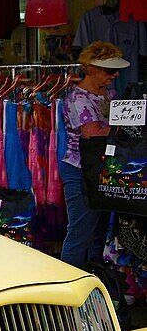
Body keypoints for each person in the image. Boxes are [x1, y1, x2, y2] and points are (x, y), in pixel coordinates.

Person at [60, 41, 128, 269]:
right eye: (110, 70)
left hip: (100, 169)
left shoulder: (108, 93)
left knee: (98, 232)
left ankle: (94, 277)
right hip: (80, 170)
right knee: (81, 231)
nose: (115, 75)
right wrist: (128, 127)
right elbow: (93, 133)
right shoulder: (78, 98)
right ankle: (66, 285)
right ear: (92, 68)